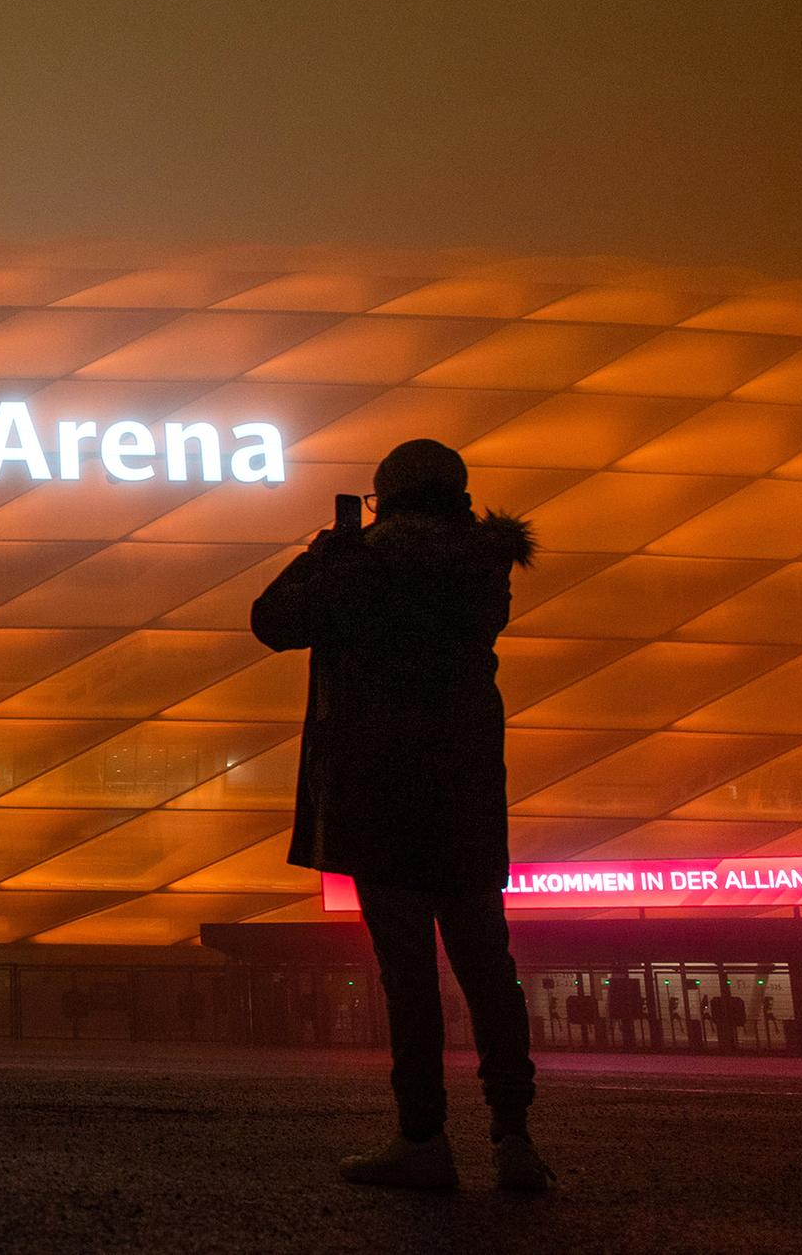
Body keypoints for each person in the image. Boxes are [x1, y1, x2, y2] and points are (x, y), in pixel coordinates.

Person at [249, 438, 551, 1193]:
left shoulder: (368, 562)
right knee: (491, 973)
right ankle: (514, 1137)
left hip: (381, 797)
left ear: (386, 496)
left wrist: (332, 548)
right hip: (468, 797)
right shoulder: (482, 566)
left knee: (409, 977)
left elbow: (273, 620)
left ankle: (423, 1137)